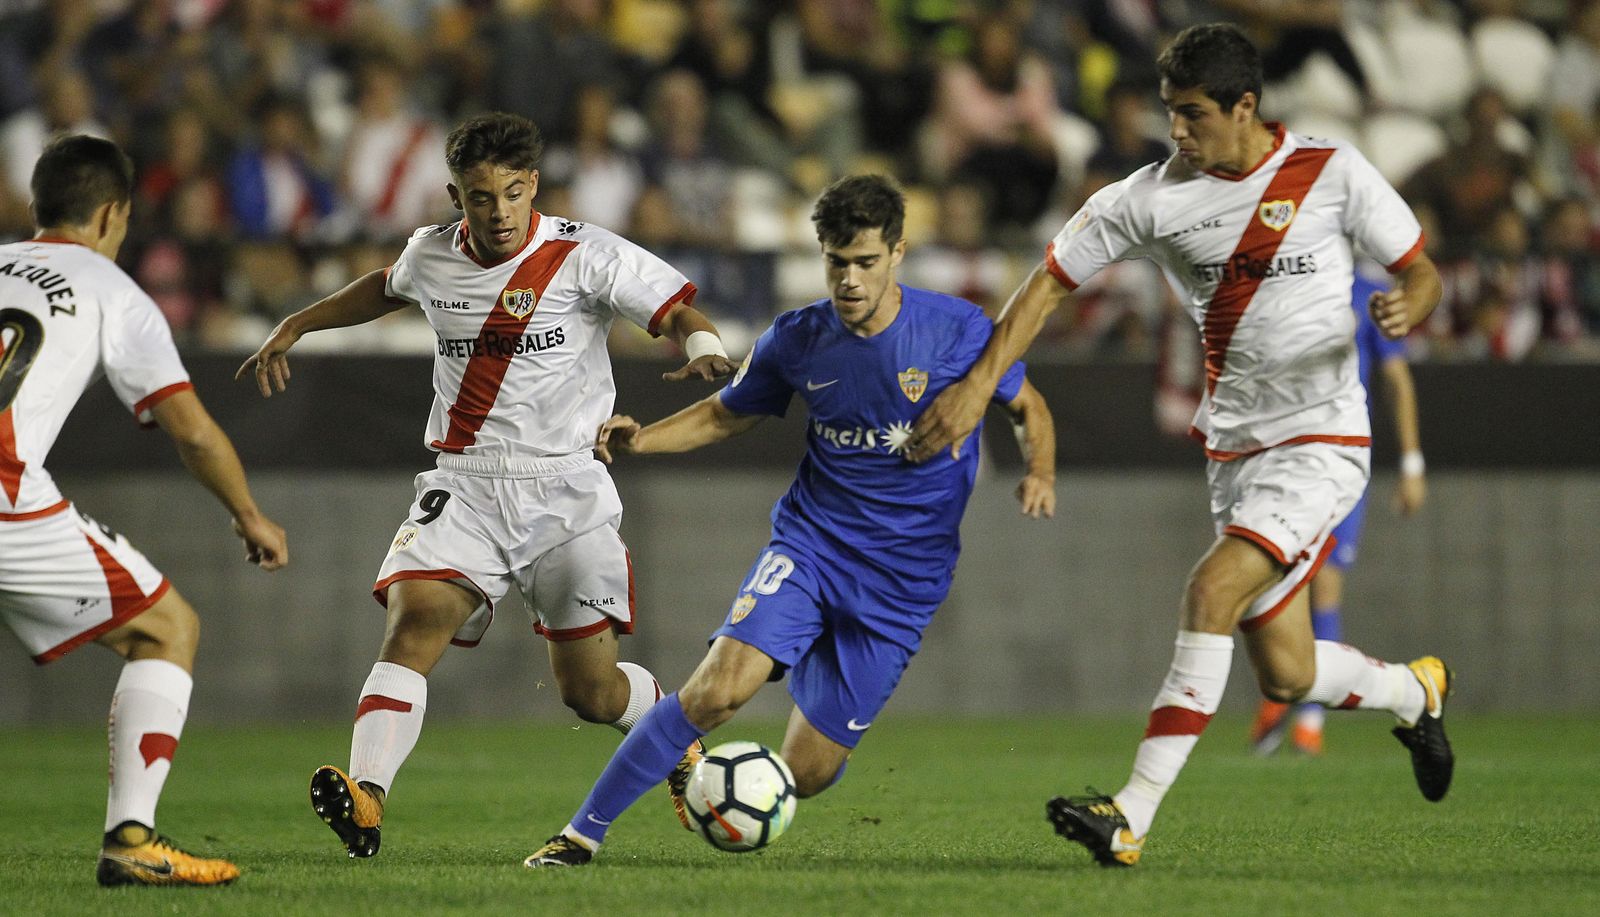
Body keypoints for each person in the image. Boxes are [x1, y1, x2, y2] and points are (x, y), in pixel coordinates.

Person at [903, 23, 1453, 868]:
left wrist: (1411, 304)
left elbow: (1421, 269)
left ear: (1246, 106)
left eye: (1194, 114)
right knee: (1288, 673)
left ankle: (1128, 814)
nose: (1178, 132)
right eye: (1170, 113)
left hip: (1324, 440)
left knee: (1210, 591)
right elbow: (1046, 284)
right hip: (1234, 451)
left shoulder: (1331, 173)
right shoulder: (1149, 197)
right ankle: (1413, 691)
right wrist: (979, 384)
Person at [237, 112, 736, 859]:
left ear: (531, 185)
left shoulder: (583, 253)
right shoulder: (431, 254)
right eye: (479, 197)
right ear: (456, 196)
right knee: (413, 624)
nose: (498, 212)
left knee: (591, 694)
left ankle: (673, 734)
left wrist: (704, 344)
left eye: (510, 192)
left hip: (565, 488)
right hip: (465, 486)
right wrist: (298, 324)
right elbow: (385, 286)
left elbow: (675, 310)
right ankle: (368, 800)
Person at [523, 174, 1057, 867]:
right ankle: (580, 833)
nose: (851, 279)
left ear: (898, 252)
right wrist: (643, 438)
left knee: (807, 771)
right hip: (813, 548)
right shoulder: (799, 338)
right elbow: (724, 414)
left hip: (901, 584)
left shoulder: (955, 330)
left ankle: (803, 670)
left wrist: (1039, 471)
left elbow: (1030, 408)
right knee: (717, 690)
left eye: (866, 262)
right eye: (838, 262)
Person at [0, 134, 289, 887]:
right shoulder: (111, 288)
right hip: (5, 499)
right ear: (110, 215)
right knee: (168, 627)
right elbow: (189, 427)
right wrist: (248, 512)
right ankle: (131, 838)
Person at [1251, 269, 1427, 756]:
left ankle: (1307, 716)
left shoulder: (1367, 295)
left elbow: (1395, 375)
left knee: (1324, 584)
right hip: (1284, 457)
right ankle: (1282, 690)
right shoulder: (1285, 283)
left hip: (1342, 461)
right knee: (1275, 580)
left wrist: (1412, 463)